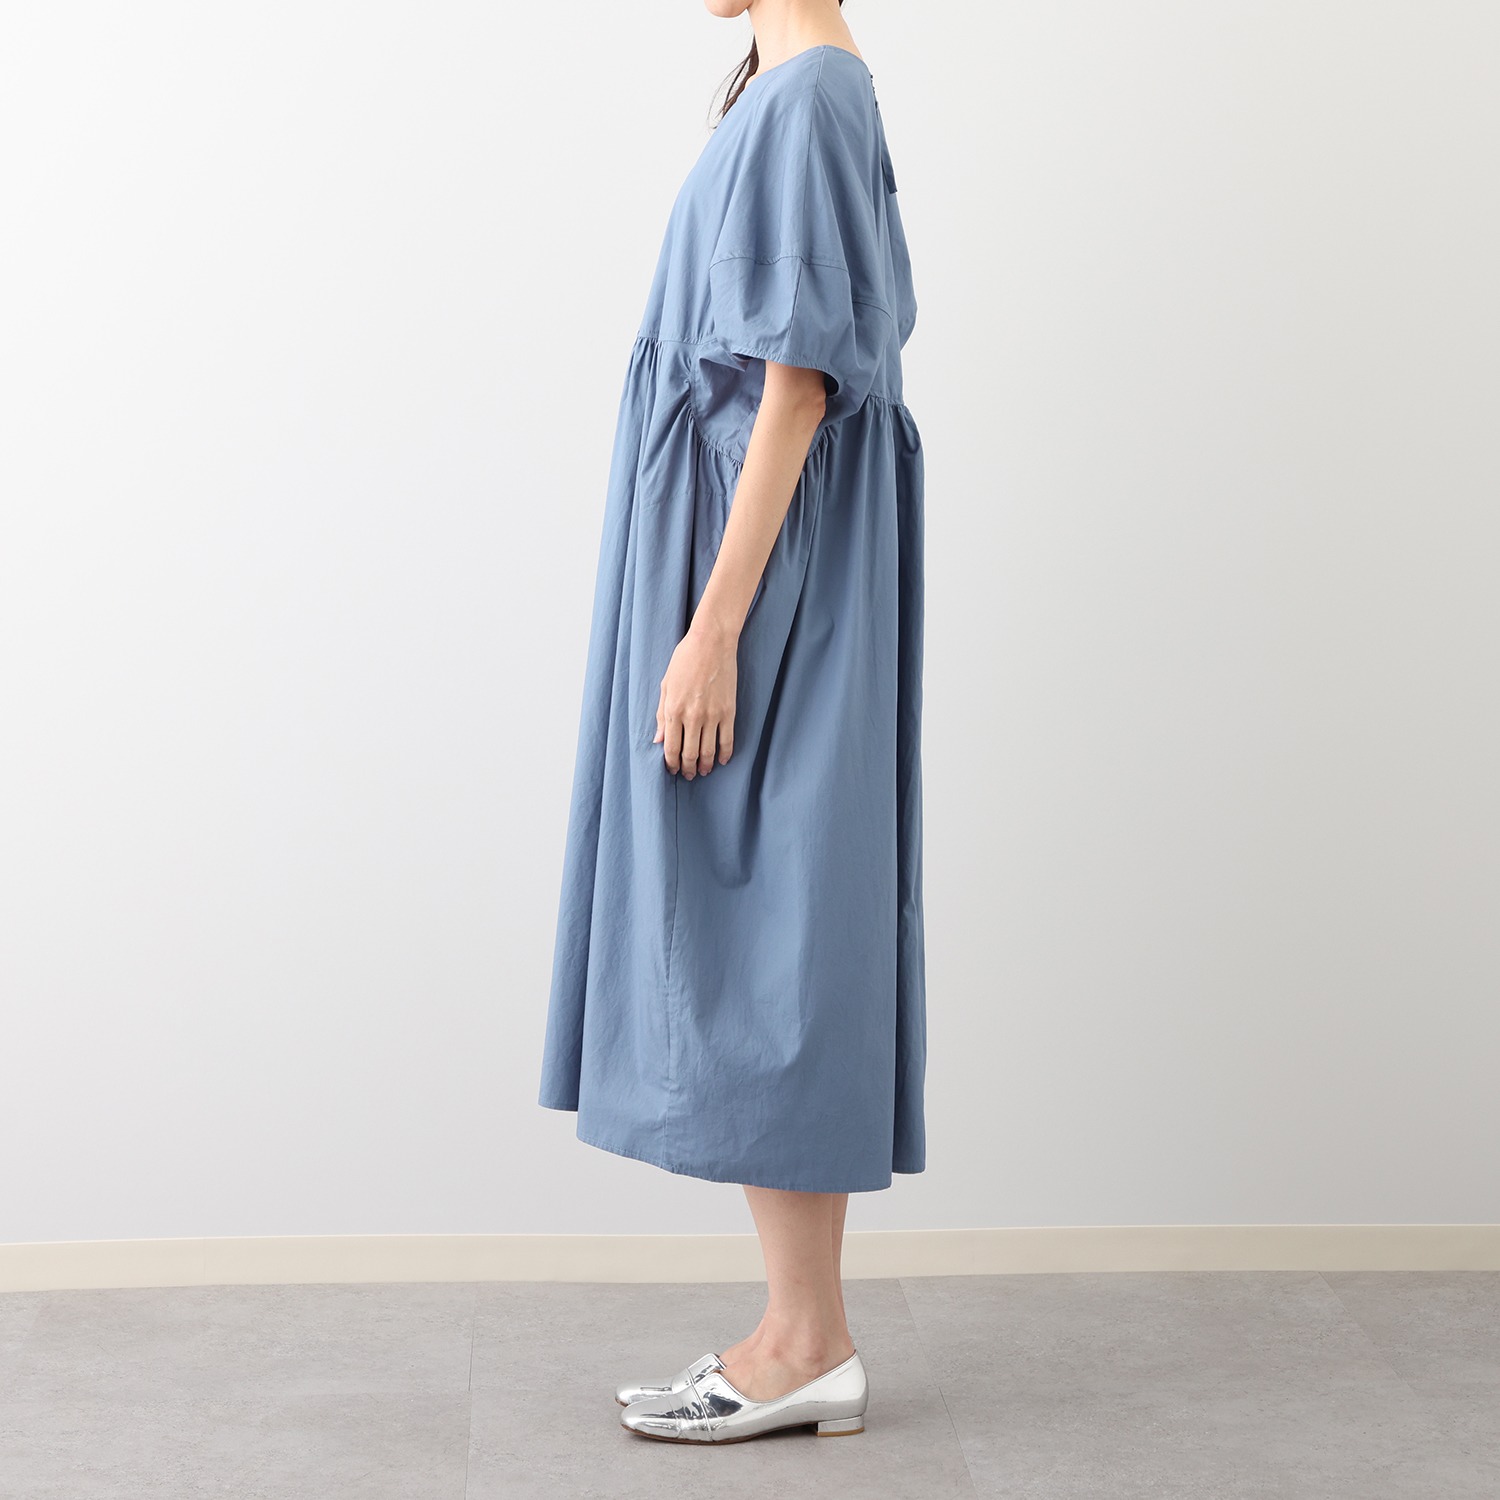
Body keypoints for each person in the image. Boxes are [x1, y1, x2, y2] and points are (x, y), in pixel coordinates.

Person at [537, 0, 926, 1444]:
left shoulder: (812, 97)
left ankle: (807, 1341)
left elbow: (796, 389)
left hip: (761, 577)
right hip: (747, 559)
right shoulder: (791, 90)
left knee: (778, 933)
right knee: (769, 930)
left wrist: (712, 630)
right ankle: (793, 1329)